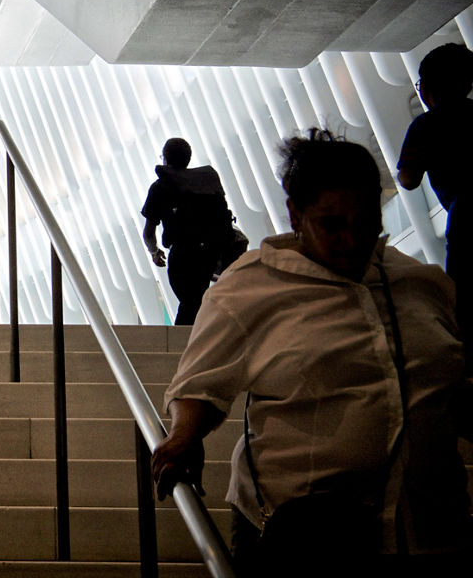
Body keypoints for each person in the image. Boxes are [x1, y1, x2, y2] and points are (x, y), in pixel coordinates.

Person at [151, 130, 472, 577]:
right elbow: (202, 382)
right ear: (295, 215)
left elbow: (453, 385)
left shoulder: (422, 285)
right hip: (309, 542)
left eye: (365, 221)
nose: (352, 239)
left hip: (432, 532)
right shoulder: (249, 287)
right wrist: (185, 434)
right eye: (332, 224)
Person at [397, 42, 473, 337]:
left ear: (426, 89)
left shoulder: (425, 126)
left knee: (464, 297)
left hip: (465, 216)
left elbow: (408, 179)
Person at [141, 137, 235, 325]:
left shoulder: (161, 187)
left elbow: (149, 232)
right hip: (211, 255)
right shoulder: (207, 181)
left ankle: (183, 347)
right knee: (195, 303)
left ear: (165, 159)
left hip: (182, 256)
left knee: (190, 304)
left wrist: (154, 251)